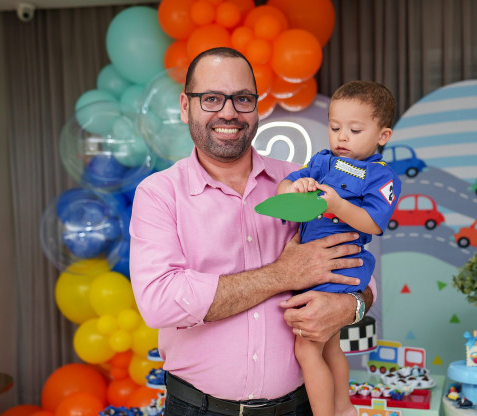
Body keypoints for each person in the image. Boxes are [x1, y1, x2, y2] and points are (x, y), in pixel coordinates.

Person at [129, 47, 376, 416]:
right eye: (211, 98)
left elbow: (358, 270)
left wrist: (348, 306)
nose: (229, 112)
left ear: (258, 107)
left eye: (242, 98)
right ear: (185, 106)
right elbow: (160, 301)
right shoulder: (159, 194)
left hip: (299, 408)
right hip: (198, 409)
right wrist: (284, 274)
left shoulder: (301, 183)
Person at [276, 80, 401, 416]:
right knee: (330, 346)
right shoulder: (322, 161)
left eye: (355, 130)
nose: (342, 137)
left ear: (382, 135)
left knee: (306, 349)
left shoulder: (381, 176)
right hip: (311, 267)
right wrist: (295, 187)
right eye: (335, 128)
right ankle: (344, 408)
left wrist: (338, 205)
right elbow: (285, 187)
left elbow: (373, 223)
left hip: (339, 267)